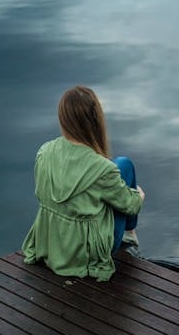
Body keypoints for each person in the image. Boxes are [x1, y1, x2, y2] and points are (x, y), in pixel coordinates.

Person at [21, 86, 145, 282]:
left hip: (52, 244)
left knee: (118, 168)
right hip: (85, 254)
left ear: (63, 118)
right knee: (124, 165)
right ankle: (129, 234)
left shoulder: (44, 152)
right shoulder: (103, 169)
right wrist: (138, 196)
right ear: (96, 120)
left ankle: (128, 234)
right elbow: (132, 205)